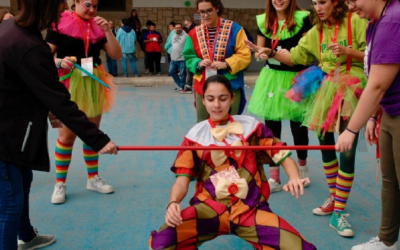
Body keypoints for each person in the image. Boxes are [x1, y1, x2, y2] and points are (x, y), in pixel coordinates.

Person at [0, 0, 118, 249]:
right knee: (10, 202)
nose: (60, 13)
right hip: (8, 133)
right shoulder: (31, 44)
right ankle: (58, 185)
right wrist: (99, 139)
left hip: (18, 126)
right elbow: (58, 100)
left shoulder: (12, 29)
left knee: (22, 181)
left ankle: (27, 235)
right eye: (57, 7)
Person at [148, 75, 316, 250]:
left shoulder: (252, 128)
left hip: (251, 209)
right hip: (208, 209)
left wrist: (294, 177)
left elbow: (281, 154)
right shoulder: (194, 136)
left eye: (223, 98)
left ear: (232, 98)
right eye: (210, 99)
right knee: (163, 243)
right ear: (203, 100)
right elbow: (181, 181)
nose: (217, 105)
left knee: (299, 248)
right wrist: (173, 202)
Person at [246, 0, 368, 237]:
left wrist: (350, 52)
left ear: (336, 2)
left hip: (351, 89)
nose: (318, 8)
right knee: (326, 146)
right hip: (324, 88)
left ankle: (338, 212)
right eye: (314, 3)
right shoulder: (316, 31)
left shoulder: (356, 22)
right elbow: (295, 58)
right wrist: (270, 52)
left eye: (323, 2)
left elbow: (375, 55)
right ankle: (334, 199)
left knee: (347, 149)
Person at [336, 0, 400, 249]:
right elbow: (379, 77)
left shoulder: (393, 20)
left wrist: (351, 129)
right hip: (390, 110)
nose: (350, 6)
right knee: (390, 181)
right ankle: (387, 241)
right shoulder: (376, 22)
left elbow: (377, 85)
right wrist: (373, 116)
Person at [45, 0, 122, 205]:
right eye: (87, 4)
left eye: (96, 5)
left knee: (91, 132)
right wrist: (60, 62)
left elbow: (116, 55)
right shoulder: (59, 24)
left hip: (92, 82)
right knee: (66, 136)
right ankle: (60, 183)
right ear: (75, 2)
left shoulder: (98, 25)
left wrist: (107, 31)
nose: (92, 10)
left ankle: (93, 178)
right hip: (68, 82)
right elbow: (43, 56)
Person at [248, 0, 313, 193]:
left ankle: (302, 170)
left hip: (297, 79)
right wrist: (262, 55)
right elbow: (259, 54)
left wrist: (290, 54)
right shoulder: (264, 21)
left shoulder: (303, 19)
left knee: (298, 127)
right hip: (272, 79)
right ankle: (274, 176)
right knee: (271, 127)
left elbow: (309, 52)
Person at [183, 0, 251, 122]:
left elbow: (245, 54)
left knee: (230, 125)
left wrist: (227, 63)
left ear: (217, 8)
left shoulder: (235, 29)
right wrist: (198, 63)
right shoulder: (194, 33)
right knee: (203, 125)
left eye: (209, 10)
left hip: (230, 85)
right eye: (202, 12)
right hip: (203, 86)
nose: (205, 15)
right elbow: (188, 56)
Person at [168, 23, 188, 91]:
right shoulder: (173, 36)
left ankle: (181, 87)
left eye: (179, 27)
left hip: (182, 58)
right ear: (175, 29)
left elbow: (188, 46)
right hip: (173, 58)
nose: (178, 29)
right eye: (177, 28)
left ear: (182, 28)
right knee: (171, 71)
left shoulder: (186, 36)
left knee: (183, 73)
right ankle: (180, 84)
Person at [181, 18, 198, 94]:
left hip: (194, 54)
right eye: (185, 25)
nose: (186, 26)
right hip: (194, 53)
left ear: (191, 22)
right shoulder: (194, 29)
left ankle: (189, 86)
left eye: (187, 24)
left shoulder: (193, 31)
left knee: (190, 70)